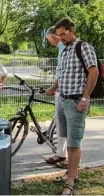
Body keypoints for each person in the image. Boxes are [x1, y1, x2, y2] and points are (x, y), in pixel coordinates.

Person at [55, 17, 99, 195]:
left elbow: (93, 71)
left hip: (76, 102)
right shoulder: (65, 50)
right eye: (58, 36)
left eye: (63, 34)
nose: (60, 38)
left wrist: (84, 97)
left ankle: (70, 182)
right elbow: (64, 74)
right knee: (66, 138)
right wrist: (53, 89)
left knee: (74, 143)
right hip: (63, 100)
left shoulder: (83, 47)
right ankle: (72, 171)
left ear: (72, 31)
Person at [44, 26, 68, 167]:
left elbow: (63, 72)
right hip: (61, 90)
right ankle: (60, 153)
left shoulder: (64, 47)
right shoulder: (61, 48)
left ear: (54, 37)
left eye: (49, 40)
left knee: (65, 124)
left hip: (66, 91)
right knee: (59, 123)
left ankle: (65, 156)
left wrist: (54, 87)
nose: (50, 42)